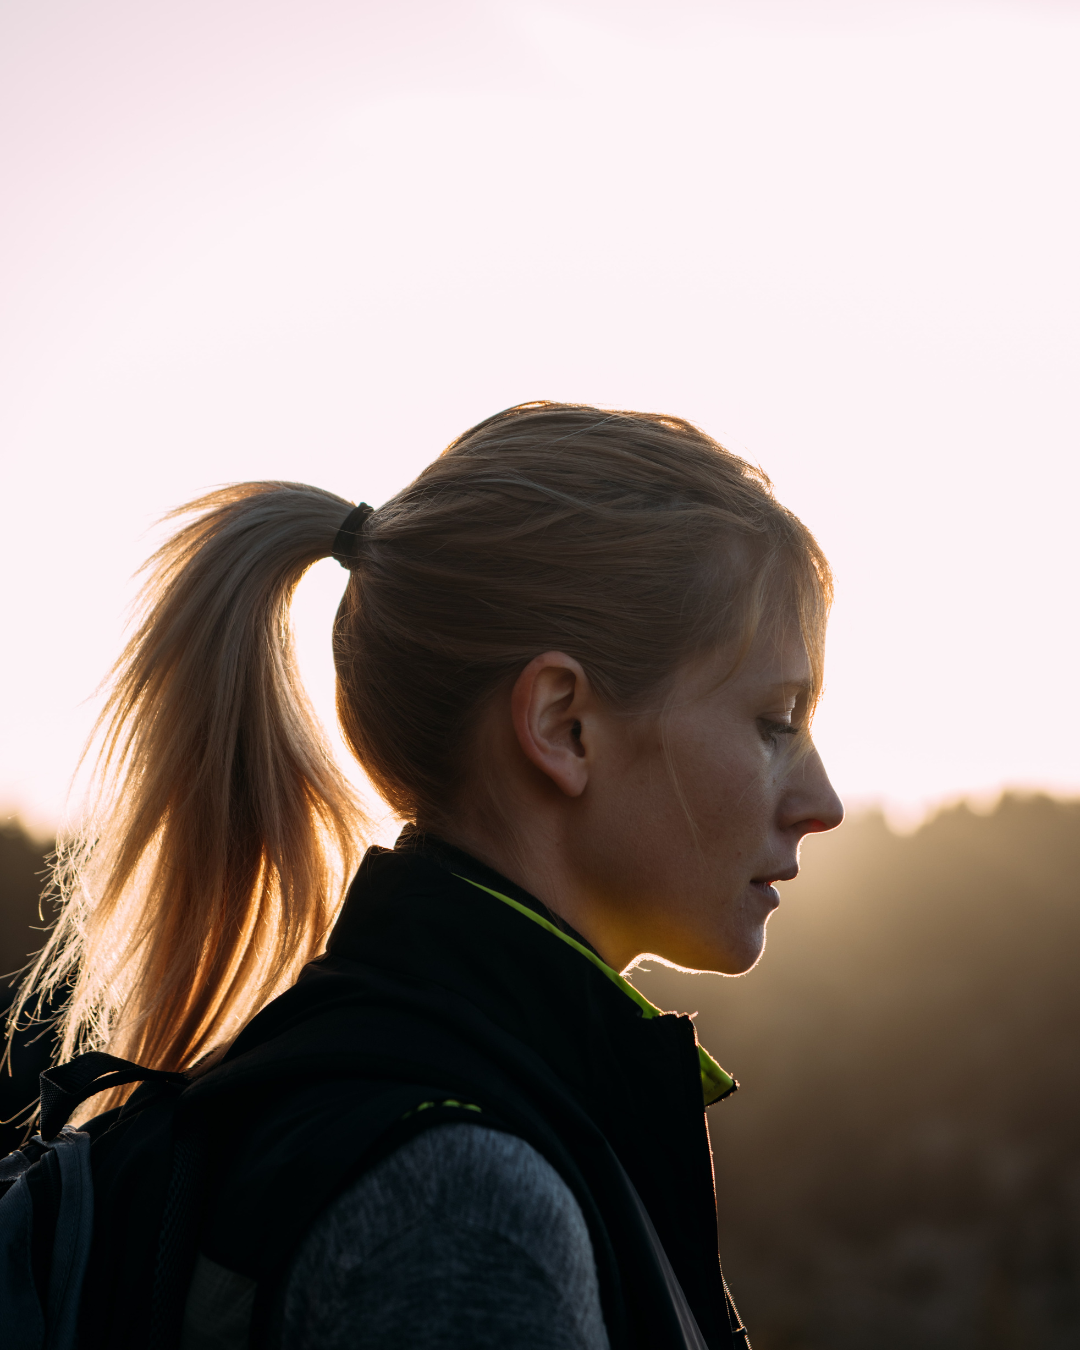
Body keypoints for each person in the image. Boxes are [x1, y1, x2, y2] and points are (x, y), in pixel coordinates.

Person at [19, 401, 843, 1349]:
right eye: (776, 722)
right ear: (564, 725)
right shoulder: (465, 1207)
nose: (822, 802)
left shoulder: (401, 1103)